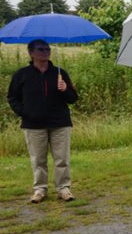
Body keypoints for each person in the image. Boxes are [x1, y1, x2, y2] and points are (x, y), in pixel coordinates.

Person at [7, 39, 79, 203]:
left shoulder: (60, 73)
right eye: (41, 49)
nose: (46, 52)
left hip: (60, 122)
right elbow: (12, 98)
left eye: (47, 49)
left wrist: (65, 89)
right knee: (38, 159)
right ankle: (40, 189)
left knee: (62, 158)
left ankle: (63, 188)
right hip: (33, 124)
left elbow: (73, 99)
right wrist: (25, 113)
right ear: (31, 53)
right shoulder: (22, 74)